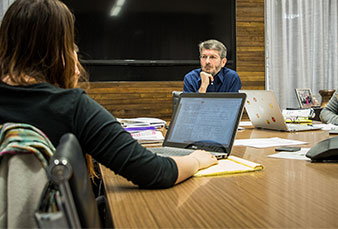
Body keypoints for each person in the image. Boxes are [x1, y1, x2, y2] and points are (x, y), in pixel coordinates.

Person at [0, 0, 217, 189]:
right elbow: (153, 171)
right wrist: (196, 160)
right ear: (57, 48)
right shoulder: (70, 106)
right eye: (70, 44)